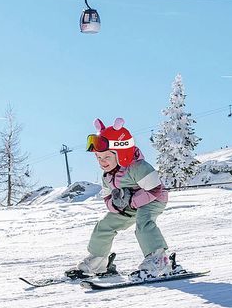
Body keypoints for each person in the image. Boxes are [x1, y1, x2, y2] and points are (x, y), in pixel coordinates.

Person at [66, 117, 177, 280]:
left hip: (154, 200)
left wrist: (131, 200)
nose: (102, 162)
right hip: (129, 206)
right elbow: (107, 198)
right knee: (104, 225)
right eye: (98, 158)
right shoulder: (107, 176)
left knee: (143, 222)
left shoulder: (138, 167)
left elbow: (155, 189)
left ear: (122, 154)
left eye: (106, 157)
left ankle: (159, 259)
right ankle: (98, 260)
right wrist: (116, 205)